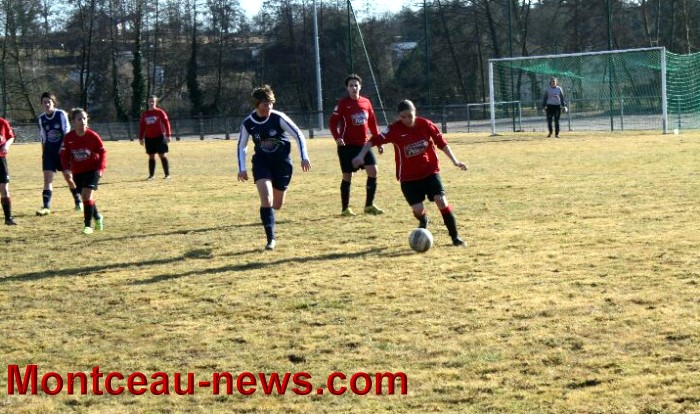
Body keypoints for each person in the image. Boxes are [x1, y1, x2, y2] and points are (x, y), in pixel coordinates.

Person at [352, 99, 468, 246]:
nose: (407, 119)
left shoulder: (425, 124)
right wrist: (360, 155)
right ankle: (423, 219)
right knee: (418, 210)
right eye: (403, 117)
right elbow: (372, 140)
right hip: (408, 178)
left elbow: (442, 143)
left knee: (441, 200)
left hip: (430, 172)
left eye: (410, 116)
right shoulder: (394, 129)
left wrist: (455, 161)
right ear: (399, 117)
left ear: (415, 112)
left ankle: (455, 238)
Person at [237, 85, 311, 250]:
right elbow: (241, 146)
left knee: (276, 205)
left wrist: (304, 157)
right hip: (261, 163)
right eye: (265, 104)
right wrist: (241, 168)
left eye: (271, 103)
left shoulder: (278, 118)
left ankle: (269, 216)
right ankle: (271, 239)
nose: (269, 107)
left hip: (282, 164)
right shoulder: (248, 123)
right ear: (257, 104)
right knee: (267, 199)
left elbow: (298, 134)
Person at [329, 74, 384, 217]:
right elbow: (332, 123)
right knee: (347, 176)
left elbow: (372, 123)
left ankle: (369, 206)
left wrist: (378, 142)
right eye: (351, 85)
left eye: (356, 85)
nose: (354, 88)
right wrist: (337, 138)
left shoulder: (366, 102)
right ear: (347, 88)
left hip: (364, 145)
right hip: (346, 146)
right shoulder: (342, 103)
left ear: (360, 86)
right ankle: (345, 209)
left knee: (373, 171)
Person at [60, 108, 107, 235]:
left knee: (86, 195)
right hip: (78, 172)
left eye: (85, 118)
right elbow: (64, 155)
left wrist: (101, 169)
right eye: (79, 119)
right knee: (86, 198)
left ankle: (88, 226)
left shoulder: (92, 136)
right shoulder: (69, 138)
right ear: (73, 121)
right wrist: (66, 168)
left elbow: (103, 152)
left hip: (93, 170)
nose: (83, 121)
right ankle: (98, 217)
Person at [36, 92, 82, 216]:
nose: (46, 104)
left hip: (62, 152)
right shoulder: (41, 118)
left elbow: (66, 132)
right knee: (47, 179)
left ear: (53, 103)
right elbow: (43, 136)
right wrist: (44, 153)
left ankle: (78, 200)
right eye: (44, 102)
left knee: (68, 177)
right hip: (49, 153)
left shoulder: (60, 114)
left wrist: (63, 149)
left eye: (48, 101)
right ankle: (46, 207)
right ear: (41, 104)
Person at [139, 95, 172, 179]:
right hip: (149, 138)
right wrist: (141, 138)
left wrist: (168, 135)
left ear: (155, 102)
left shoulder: (160, 112)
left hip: (159, 137)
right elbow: (142, 127)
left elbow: (166, 123)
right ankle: (151, 176)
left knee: (162, 155)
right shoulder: (145, 114)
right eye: (150, 101)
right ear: (147, 103)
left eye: (153, 101)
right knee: (151, 156)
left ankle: (167, 175)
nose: (151, 103)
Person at [0, 116, 17, 225]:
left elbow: (11, 137)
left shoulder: (2, 122)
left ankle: (8, 219)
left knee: (4, 188)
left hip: (1, 160)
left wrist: (6, 145)